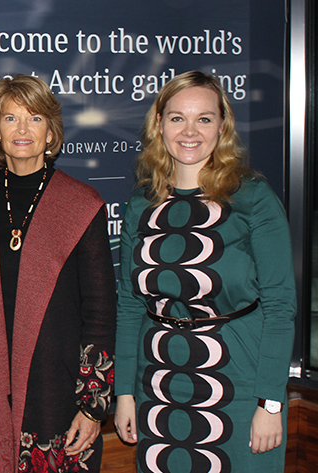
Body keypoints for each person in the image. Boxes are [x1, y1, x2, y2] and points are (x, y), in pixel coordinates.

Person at [113, 71, 296, 472]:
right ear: (159, 125)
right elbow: (129, 305)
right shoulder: (142, 204)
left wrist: (270, 400)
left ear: (222, 126)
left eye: (204, 118)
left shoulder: (252, 196)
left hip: (239, 380)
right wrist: (124, 392)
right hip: (158, 381)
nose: (190, 131)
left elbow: (280, 307)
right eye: (177, 118)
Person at [0, 75, 116, 473]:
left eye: (35, 118)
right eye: (10, 119)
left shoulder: (82, 204)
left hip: (55, 395)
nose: (22, 129)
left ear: (51, 133)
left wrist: (92, 407)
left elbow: (100, 311)